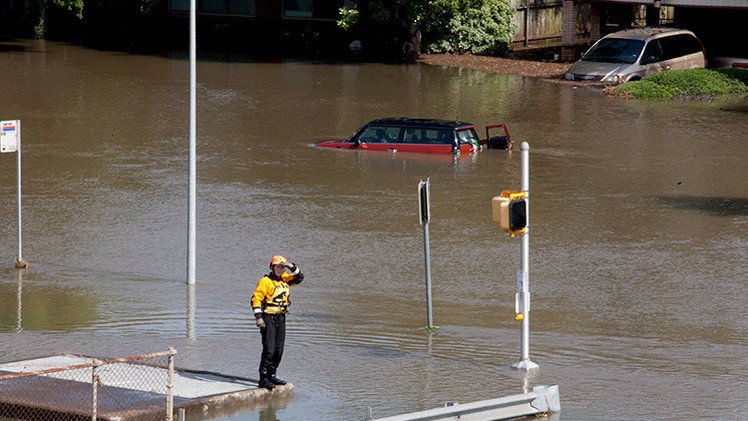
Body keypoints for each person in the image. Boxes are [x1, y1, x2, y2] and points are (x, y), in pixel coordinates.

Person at [251, 255, 304, 390]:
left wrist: (290, 265)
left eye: (282, 267)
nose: (280, 270)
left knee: (279, 350)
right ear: (272, 267)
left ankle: (272, 375)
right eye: (277, 267)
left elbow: (299, 277)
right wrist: (258, 318)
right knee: (269, 349)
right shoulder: (265, 281)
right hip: (268, 317)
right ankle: (263, 379)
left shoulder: (285, 279)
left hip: (281, 318)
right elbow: (255, 299)